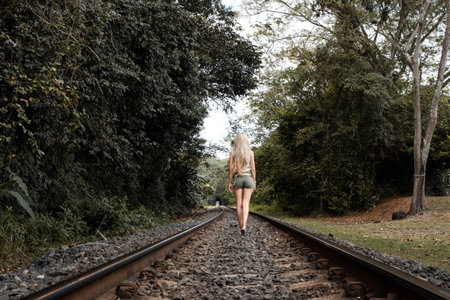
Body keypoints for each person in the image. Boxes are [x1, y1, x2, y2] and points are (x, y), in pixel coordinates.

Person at [228, 133, 256, 235]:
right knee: (246, 203)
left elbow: (231, 169)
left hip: (238, 178)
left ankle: (241, 227)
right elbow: (252, 169)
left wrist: (229, 182)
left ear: (237, 141)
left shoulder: (233, 153)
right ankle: (244, 225)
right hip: (248, 178)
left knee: (238, 205)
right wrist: (254, 181)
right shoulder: (251, 153)